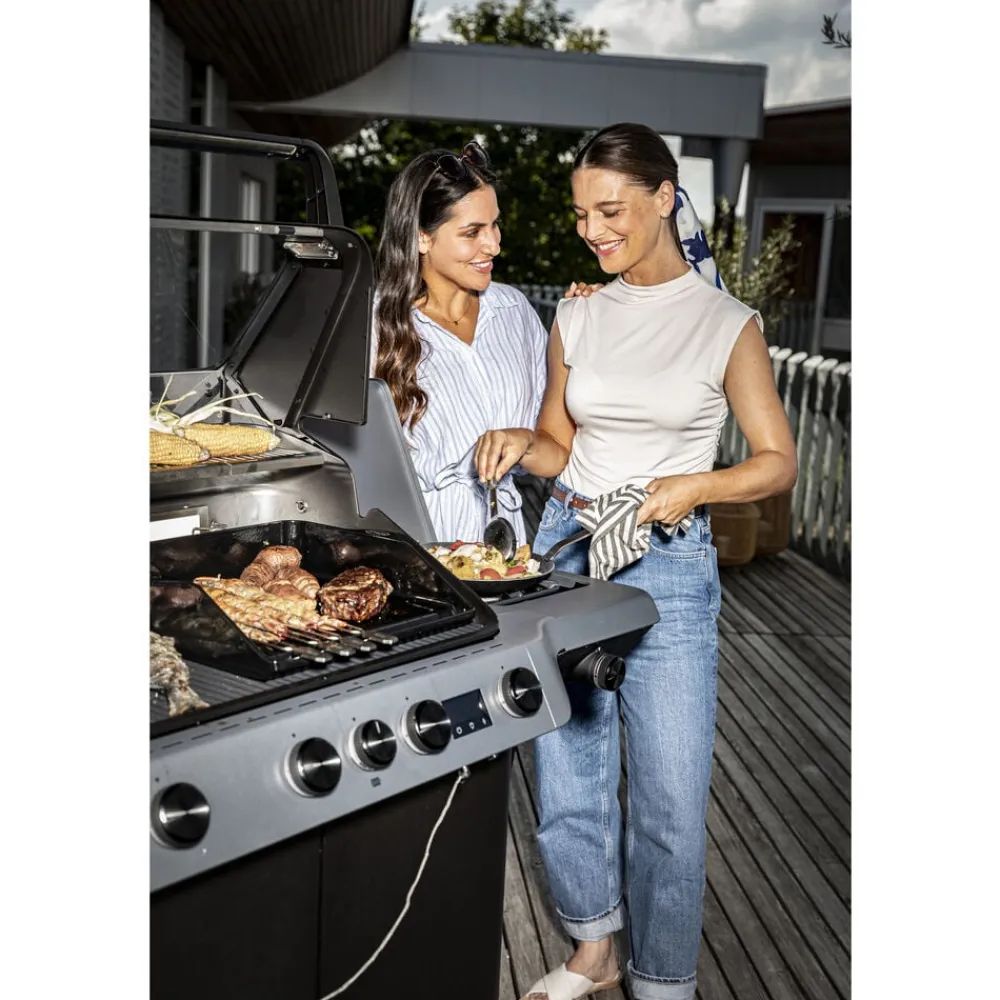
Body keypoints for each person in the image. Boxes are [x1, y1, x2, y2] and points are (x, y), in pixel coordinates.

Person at [474, 123, 798, 1000]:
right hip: (570, 547)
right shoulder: (577, 313)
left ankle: (661, 982)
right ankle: (595, 950)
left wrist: (697, 485)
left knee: (669, 800)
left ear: (664, 196)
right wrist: (523, 442)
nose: (593, 230)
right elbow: (559, 442)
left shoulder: (727, 324)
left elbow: (777, 461)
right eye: (582, 214)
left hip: (668, 564)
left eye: (610, 210)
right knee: (569, 769)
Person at [371, 140, 556, 545]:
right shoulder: (373, 326)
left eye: (494, 225)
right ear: (422, 238)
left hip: (506, 548)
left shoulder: (515, 312)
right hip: (415, 544)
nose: (494, 245)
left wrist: (525, 440)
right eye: (472, 232)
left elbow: (556, 445)